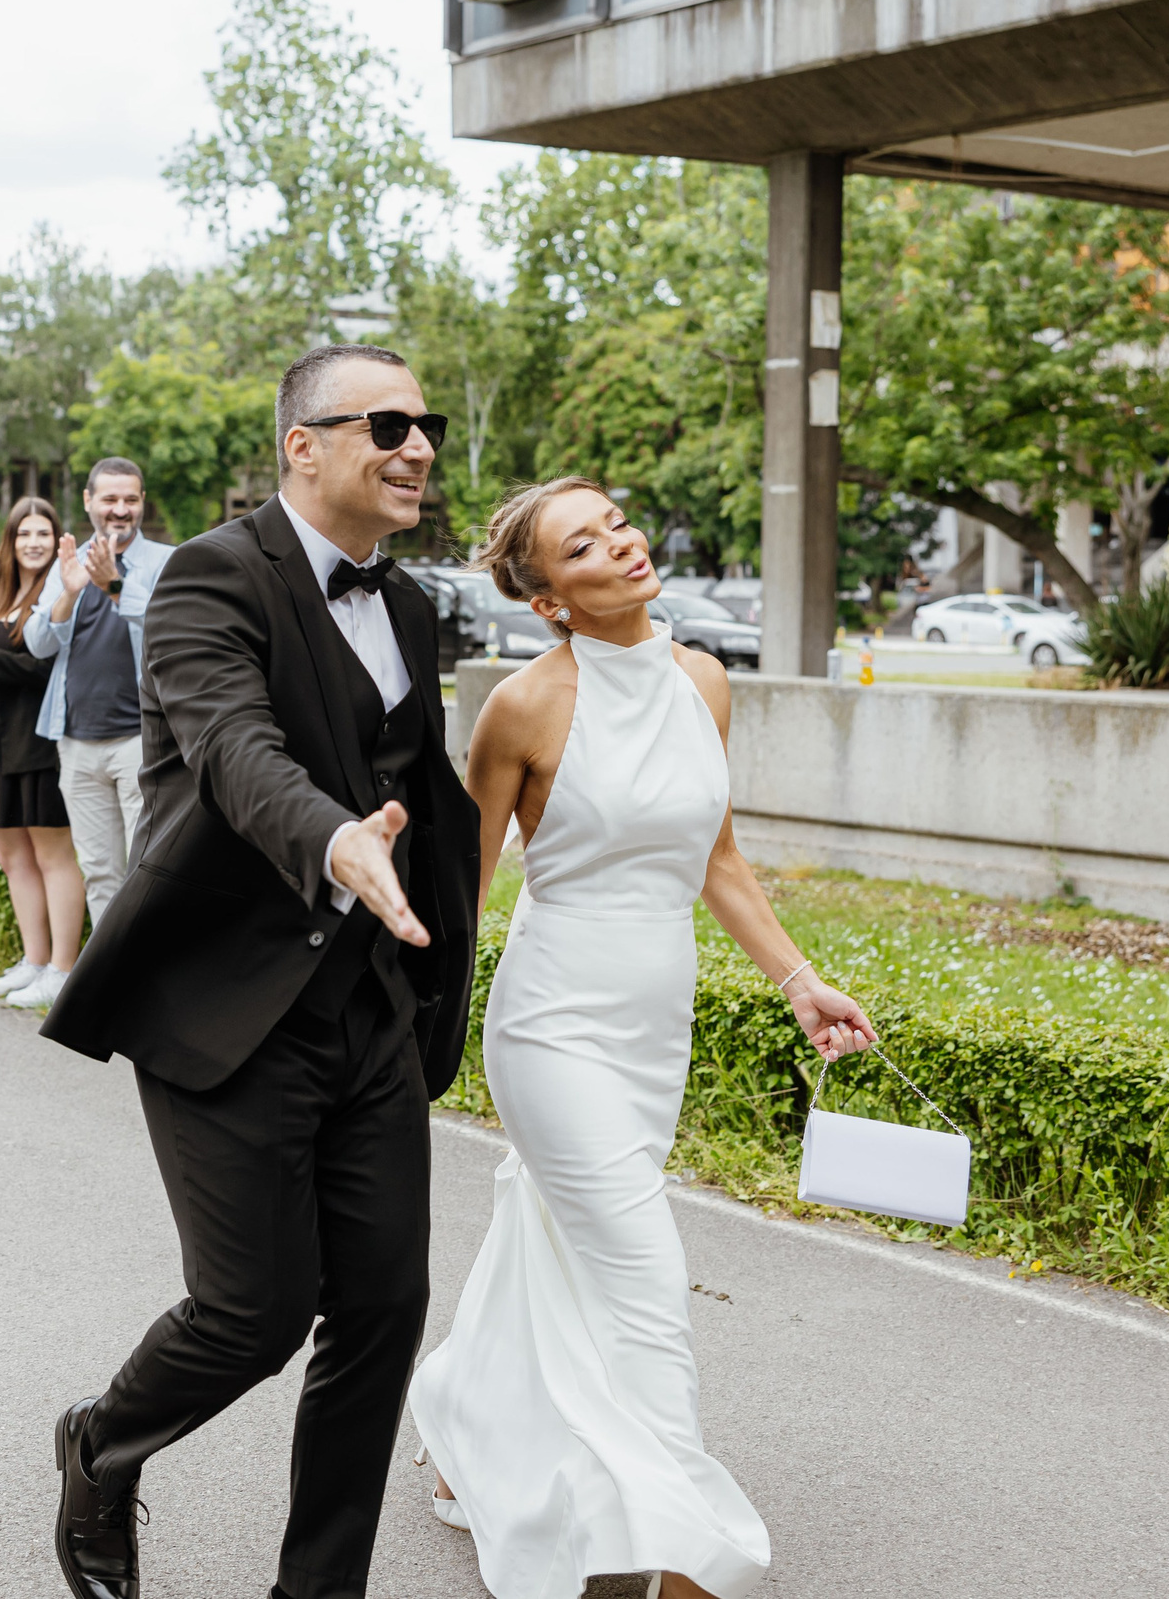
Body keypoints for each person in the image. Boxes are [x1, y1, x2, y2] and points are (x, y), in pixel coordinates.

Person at [42, 345, 481, 1599]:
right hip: (227, 1008)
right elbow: (234, 750)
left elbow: (413, 781)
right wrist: (335, 843)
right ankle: (101, 1443)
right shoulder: (205, 579)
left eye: (425, 424)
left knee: (383, 1312)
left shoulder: (405, 605)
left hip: (371, 1010)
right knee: (253, 1316)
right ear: (302, 444)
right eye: (385, 424)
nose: (417, 447)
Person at [407, 477, 877, 1599]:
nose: (621, 546)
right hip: (553, 1019)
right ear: (549, 599)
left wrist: (800, 983)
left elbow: (714, 857)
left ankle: (462, 1418)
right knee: (641, 1268)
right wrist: (399, 1029)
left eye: (618, 522)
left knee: (553, 1231)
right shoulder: (521, 708)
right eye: (584, 546)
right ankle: (680, 1545)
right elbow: (463, 897)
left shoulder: (704, 680)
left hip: (652, 1019)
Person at [23, 457, 172, 928]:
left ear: (142, 502)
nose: (120, 510)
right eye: (110, 499)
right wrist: (68, 592)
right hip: (76, 742)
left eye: (130, 499)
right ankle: (111, 990)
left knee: (147, 870)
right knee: (100, 873)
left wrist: (115, 587)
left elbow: (171, 634)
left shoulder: (168, 562)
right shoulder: (68, 563)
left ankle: (154, 991)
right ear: (89, 502)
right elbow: (37, 642)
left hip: (139, 743)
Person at [0, 497, 82, 1012]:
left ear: (56, 542)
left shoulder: (60, 594)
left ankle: (63, 969)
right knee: (13, 858)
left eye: (42, 534)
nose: (33, 542)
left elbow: (52, 671)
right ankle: (34, 961)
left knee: (53, 856)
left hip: (40, 740)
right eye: (24, 533)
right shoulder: (1, 592)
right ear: (10, 541)